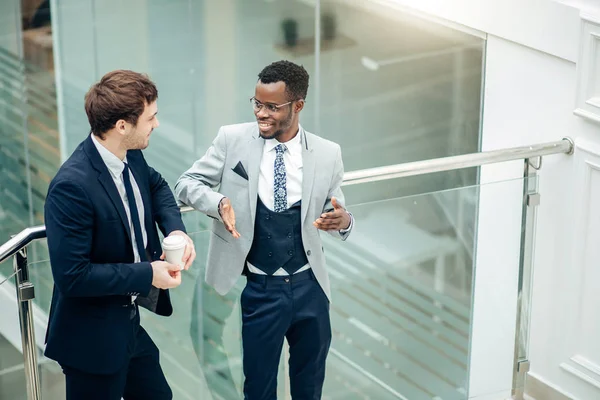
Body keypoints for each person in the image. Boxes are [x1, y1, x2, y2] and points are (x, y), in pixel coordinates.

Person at [176, 60, 354, 399]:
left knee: (309, 385)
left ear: (298, 105)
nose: (261, 113)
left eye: (272, 107)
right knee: (258, 388)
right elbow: (186, 183)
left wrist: (343, 221)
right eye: (257, 104)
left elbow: (336, 209)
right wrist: (219, 202)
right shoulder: (232, 139)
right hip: (260, 289)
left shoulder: (328, 153)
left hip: (310, 287)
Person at [44, 70, 196, 400]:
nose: (156, 124)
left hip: (126, 325)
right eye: (150, 118)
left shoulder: (130, 156)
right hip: (90, 341)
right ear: (122, 126)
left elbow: (157, 186)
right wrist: (148, 273)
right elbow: (73, 276)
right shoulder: (70, 188)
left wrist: (177, 231)